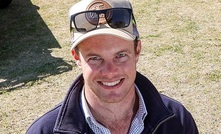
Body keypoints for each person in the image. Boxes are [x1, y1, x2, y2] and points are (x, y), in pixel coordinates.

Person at [26, 0, 199, 133]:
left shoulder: (178, 122)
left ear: (137, 50)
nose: (110, 72)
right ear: (76, 57)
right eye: (95, 58)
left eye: (121, 55)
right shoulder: (43, 131)